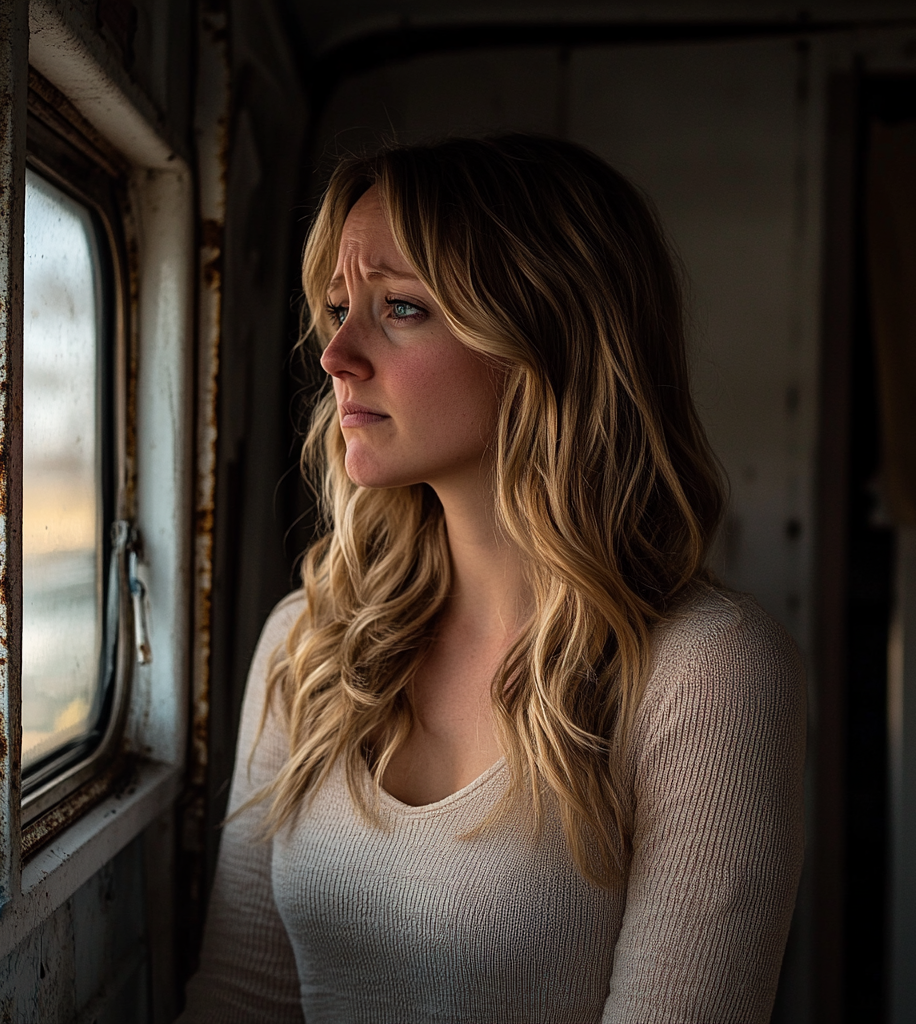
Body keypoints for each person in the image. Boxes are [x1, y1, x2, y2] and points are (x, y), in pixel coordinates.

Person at [179, 133, 806, 1024]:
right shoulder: (308, 642)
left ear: (546, 335)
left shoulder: (706, 673)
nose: (336, 355)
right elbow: (241, 1000)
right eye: (335, 306)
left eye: (399, 307)